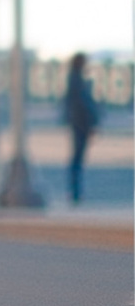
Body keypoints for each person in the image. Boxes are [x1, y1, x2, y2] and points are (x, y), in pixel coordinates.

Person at [61, 51, 101, 206]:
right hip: (80, 125)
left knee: (77, 158)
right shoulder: (77, 81)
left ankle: (75, 192)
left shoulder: (76, 80)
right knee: (77, 159)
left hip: (78, 124)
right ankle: (75, 192)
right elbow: (82, 105)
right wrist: (90, 123)